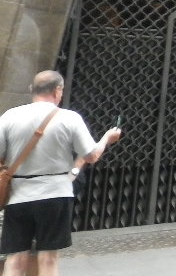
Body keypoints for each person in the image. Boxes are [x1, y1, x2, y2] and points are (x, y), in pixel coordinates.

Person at [0, 70, 122, 276]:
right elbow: (91, 155)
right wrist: (107, 139)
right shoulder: (69, 118)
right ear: (57, 91)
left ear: (32, 90)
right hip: (55, 195)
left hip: (18, 196)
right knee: (48, 259)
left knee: (15, 259)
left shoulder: (10, 116)